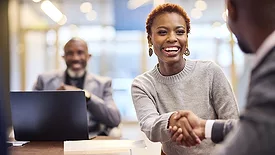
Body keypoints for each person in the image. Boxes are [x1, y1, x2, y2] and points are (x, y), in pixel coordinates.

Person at [131, 3, 239, 155]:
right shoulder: (142, 84)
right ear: (150, 39)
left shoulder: (210, 72)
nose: (172, 38)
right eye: (162, 32)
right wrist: (173, 120)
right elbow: (150, 127)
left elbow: (233, 124)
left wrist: (198, 127)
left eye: (180, 32)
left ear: (186, 39)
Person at [170, 0, 275, 154]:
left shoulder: (270, 69)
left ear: (231, 9)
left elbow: (252, 138)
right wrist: (204, 127)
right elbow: (259, 124)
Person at [33, 37, 121, 137]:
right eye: (70, 53)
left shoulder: (103, 83)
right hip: (52, 137)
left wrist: (84, 95)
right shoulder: (44, 80)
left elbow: (114, 119)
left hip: (90, 138)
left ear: (88, 56)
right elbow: (31, 113)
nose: (75, 58)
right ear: (63, 57)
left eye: (80, 53)